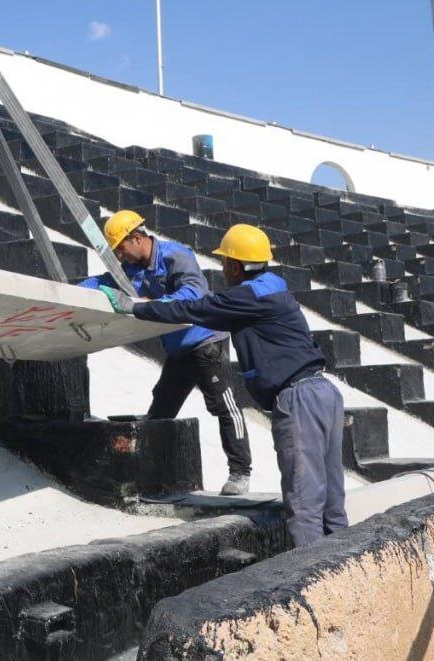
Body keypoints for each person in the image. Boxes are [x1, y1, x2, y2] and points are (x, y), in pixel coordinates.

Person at [100, 223, 347, 547]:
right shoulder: (272, 287)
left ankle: (315, 588)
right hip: (324, 392)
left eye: (224, 263)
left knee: (303, 508)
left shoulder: (248, 295)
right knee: (332, 507)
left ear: (233, 265)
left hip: (299, 398)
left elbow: (194, 307)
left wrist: (136, 307)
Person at [80, 210, 252, 495]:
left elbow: (192, 295)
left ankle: (240, 473)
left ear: (136, 238)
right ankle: (152, 477)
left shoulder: (176, 256)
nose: (120, 256)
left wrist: (148, 303)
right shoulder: (133, 268)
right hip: (178, 350)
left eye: (121, 249)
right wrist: (72, 289)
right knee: (161, 409)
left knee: (225, 407)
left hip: (205, 342)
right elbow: (105, 281)